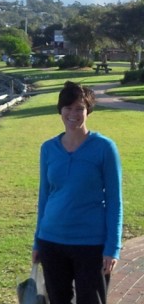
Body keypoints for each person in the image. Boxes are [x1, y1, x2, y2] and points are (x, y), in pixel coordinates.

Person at [32, 81, 123, 304]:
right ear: (60, 110)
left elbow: (114, 201)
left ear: (88, 111)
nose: (73, 114)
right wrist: (37, 242)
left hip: (91, 244)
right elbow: (44, 197)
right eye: (68, 107)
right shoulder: (48, 148)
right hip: (51, 242)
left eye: (79, 108)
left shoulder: (104, 147)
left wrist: (113, 247)